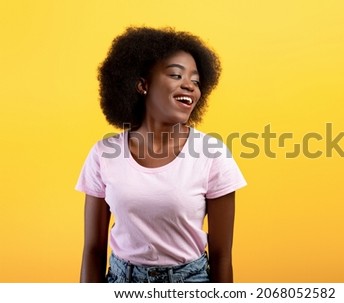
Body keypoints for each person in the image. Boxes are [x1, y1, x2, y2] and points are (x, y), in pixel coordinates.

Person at [75, 27, 246, 283]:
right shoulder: (104, 154)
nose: (190, 86)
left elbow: (222, 255)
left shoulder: (213, 155)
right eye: (176, 75)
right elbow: (93, 250)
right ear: (142, 84)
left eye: (197, 81)